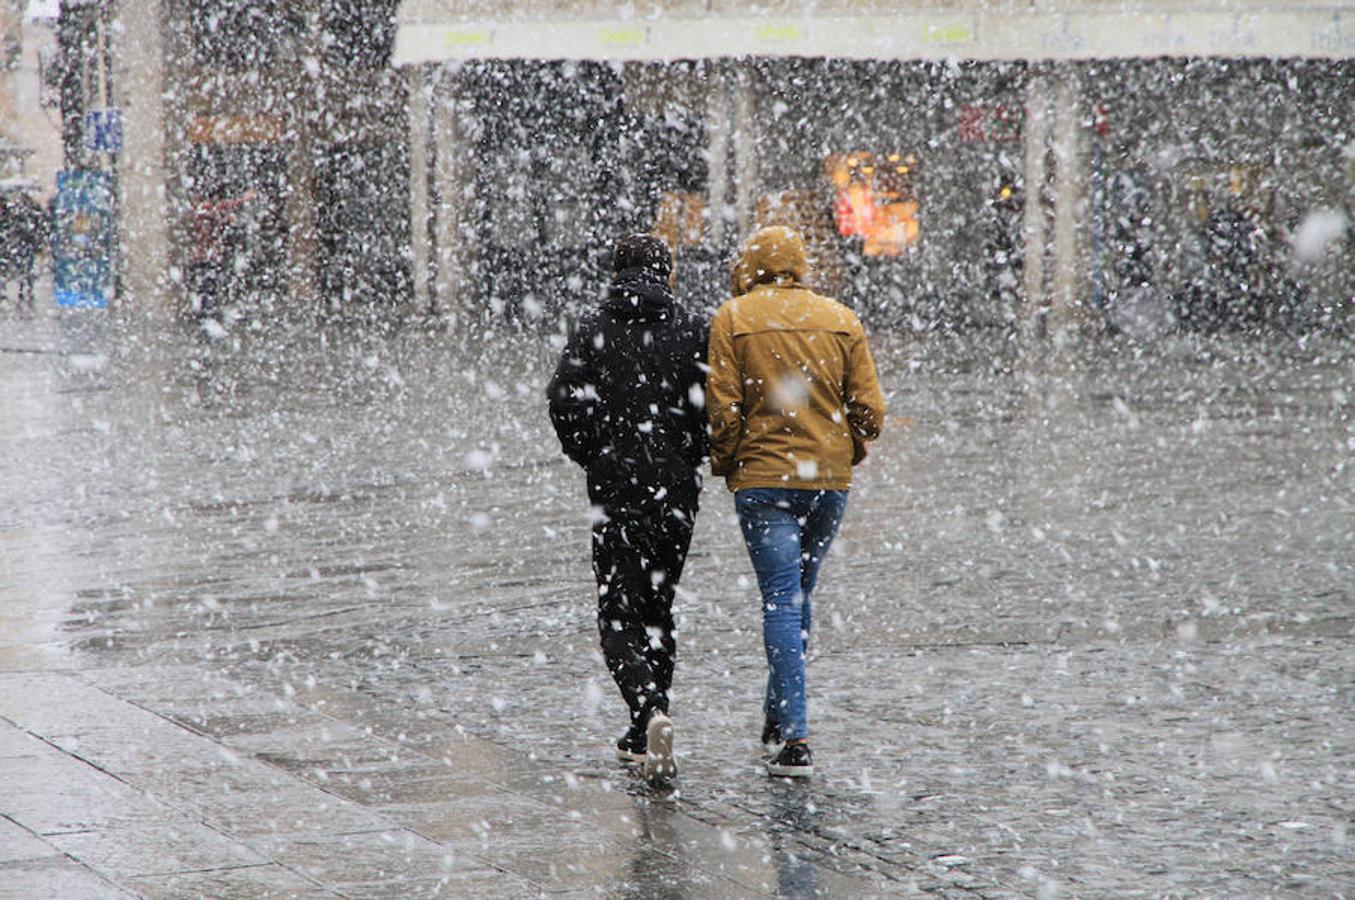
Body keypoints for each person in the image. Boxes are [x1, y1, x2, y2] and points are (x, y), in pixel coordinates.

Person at [706, 225, 886, 778]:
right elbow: (871, 411)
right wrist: (845, 446)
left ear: (750, 264)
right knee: (800, 593)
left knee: (781, 599)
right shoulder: (840, 318)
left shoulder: (732, 319)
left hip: (763, 482)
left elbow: (722, 411)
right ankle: (778, 714)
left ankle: (795, 738)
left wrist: (731, 459)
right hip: (827, 482)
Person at [546, 234, 708, 786]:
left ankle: (645, 714)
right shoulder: (692, 329)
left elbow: (563, 399)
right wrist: (688, 453)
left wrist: (593, 452)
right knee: (658, 608)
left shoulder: (593, 326)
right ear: (668, 274)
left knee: (618, 611)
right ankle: (648, 723)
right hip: (676, 492)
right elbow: (714, 403)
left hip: (616, 489)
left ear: (616, 272)